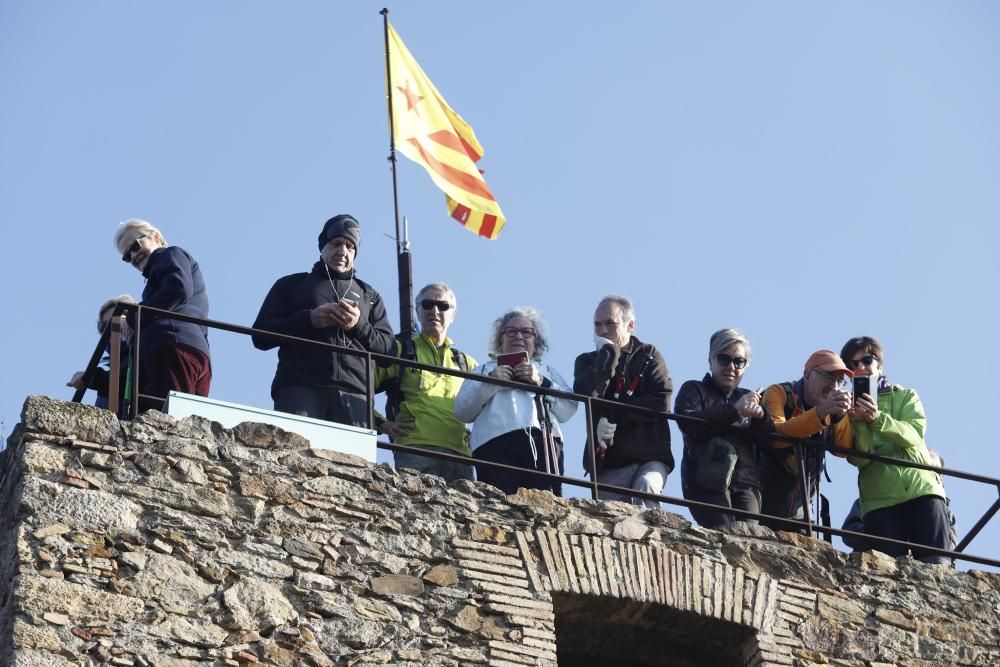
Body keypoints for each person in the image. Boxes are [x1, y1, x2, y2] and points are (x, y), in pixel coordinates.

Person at [252, 215, 394, 428]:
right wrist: (309, 319)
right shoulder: (291, 285)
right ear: (322, 246)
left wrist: (358, 326)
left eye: (350, 246)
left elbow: (389, 353)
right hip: (299, 387)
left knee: (352, 461)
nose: (343, 251)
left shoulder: (370, 296)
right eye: (336, 243)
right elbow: (260, 336)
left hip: (354, 393)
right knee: (294, 458)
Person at [841, 336, 951, 565]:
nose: (859, 367)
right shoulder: (846, 409)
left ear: (879, 365)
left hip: (921, 491)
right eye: (852, 365)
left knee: (937, 568)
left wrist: (876, 418)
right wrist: (860, 421)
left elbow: (913, 435)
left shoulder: (905, 395)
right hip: (879, 500)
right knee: (884, 574)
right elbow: (859, 458)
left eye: (866, 360)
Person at [454, 307, 576, 495]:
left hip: (543, 442)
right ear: (500, 340)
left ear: (536, 341)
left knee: (546, 510)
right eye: (511, 331)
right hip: (495, 446)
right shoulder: (483, 370)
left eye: (526, 332)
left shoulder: (547, 370)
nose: (519, 337)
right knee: (498, 508)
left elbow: (569, 408)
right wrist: (490, 383)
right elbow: (462, 410)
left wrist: (542, 382)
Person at [574, 296, 673, 509]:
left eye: (610, 323)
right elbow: (586, 393)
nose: (602, 330)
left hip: (649, 456)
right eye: (597, 325)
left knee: (647, 488)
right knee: (606, 522)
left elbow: (662, 400)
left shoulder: (649, 355)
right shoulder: (587, 361)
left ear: (630, 326)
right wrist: (609, 355)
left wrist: (616, 416)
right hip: (610, 462)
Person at [375, 283, 477, 483]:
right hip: (415, 450)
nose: (435, 311)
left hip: (460, 455)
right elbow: (359, 384)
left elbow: (489, 403)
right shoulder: (401, 351)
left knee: (462, 514)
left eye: (443, 306)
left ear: (453, 315)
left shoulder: (466, 363)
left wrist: (480, 435)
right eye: (428, 304)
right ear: (418, 311)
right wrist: (382, 424)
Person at [114, 220, 211, 413]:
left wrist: (133, 317)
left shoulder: (170, 254)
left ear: (156, 237)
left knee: (168, 421)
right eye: (127, 256)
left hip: (173, 346)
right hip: (190, 349)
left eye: (135, 246)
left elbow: (178, 290)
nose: (133, 256)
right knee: (183, 423)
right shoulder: (159, 274)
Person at [676, 329, 770, 528]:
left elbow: (770, 441)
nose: (731, 367)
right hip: (705, 479)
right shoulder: (694, 389)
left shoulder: (749, 397)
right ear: (710, 360)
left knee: (750, 540)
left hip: (746, 483)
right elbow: (687, 421)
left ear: (746, 365)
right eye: (724, 359)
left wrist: (761, 417)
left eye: (738, 361)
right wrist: (734, 410)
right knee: (723, 534)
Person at [760, 350, 854, 526]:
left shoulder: (831, 408)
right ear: (807, 374)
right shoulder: (778, 392)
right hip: (762, 500)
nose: (834, 386)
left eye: (839, 381)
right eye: (828, 377)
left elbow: (843, 450)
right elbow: (777, 434)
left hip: (800, 510)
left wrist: (840, 417)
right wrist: (821, 412)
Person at [67, 295, 136, 414]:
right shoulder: (115, 365)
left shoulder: (145, 349)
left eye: (120, 320)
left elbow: (132, 382)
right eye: (105, 326)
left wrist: (92, 377)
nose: (112, 329)